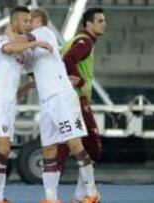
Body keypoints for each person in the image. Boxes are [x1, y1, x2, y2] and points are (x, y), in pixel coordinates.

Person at [18, 8, 101, 203]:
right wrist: (24, 87)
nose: (28, 23)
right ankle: (51, 198)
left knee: (74, 144)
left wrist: (10, 36)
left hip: (61, 97)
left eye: (30, 20)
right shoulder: (33, 46)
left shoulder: (44, 32)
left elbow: (24, 40)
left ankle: (92, 193)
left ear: (38, 20)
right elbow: (33, 69)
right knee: (48, 148)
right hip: (47, 101)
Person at [0, 6, 53, 203]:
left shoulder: (21, 49)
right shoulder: (2, 40)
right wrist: (38, 42)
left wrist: (30, 85)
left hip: (8, 104)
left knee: (4, 151)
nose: (27, 25)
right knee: (3, 150)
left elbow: (21, 69)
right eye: (24, 21)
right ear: (14, 22)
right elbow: (10, 48)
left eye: (29, 21)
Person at [58, 8, 106, 203]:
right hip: (76, 100)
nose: (104, 23)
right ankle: (86, 195)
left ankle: (77, 195)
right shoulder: (84, 41)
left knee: (63, 148)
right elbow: (68, 60)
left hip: (68, 100)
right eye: (100, 20)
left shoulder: (77, 40)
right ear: (88, 24)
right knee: (93, 148)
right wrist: (81, 83)